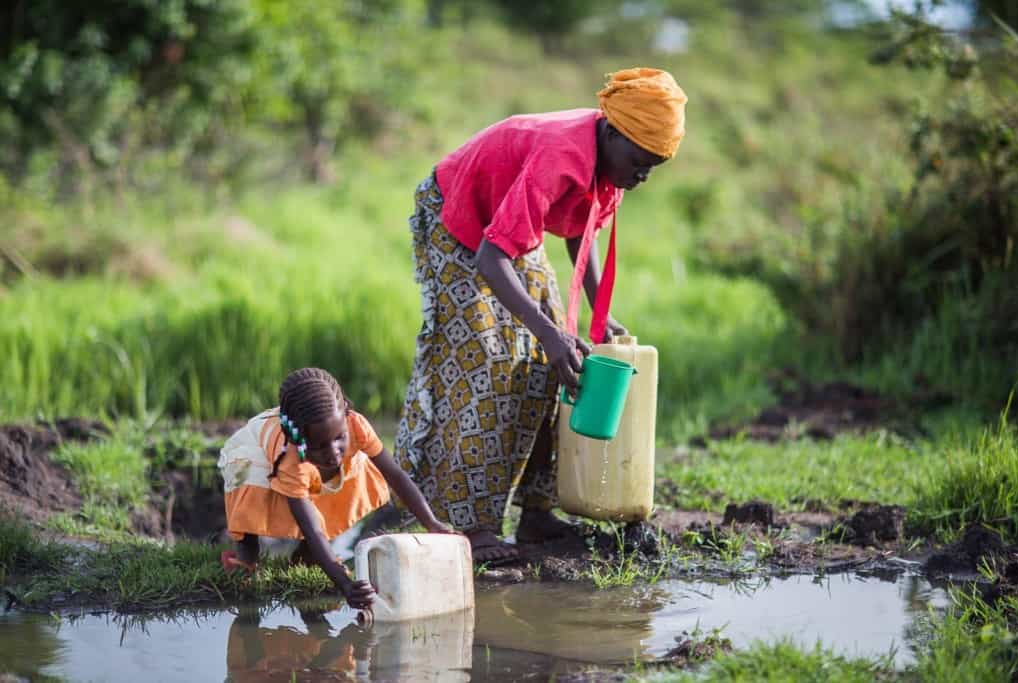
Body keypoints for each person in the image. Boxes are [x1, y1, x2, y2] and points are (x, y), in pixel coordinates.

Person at [395, 68, 687, 563]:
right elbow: (491, 258)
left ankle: (536, 515)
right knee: (486, 368)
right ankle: (471, 528)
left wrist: (599, 313)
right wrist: (550, 333)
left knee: (553, 364)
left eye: (653, 167)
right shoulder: (561, 156)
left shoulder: (609, 164)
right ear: (612, 133)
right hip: (459, 217)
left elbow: (580, 232)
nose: (642, 176)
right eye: (639, 162)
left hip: (506, 227)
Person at [217, 367, 453, 608]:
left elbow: (396, 476)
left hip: (303, 458)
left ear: (346, 415)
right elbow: (312, 529)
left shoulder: (356, 425)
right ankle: (245, 559)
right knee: (252, 499)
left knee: (350, 475)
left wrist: (431, 522)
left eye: (339, 437)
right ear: (300, 441)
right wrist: (346, 585)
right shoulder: (289, 460)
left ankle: (305, 558)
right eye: (319, 446)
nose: (332, 452)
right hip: (251, 456)